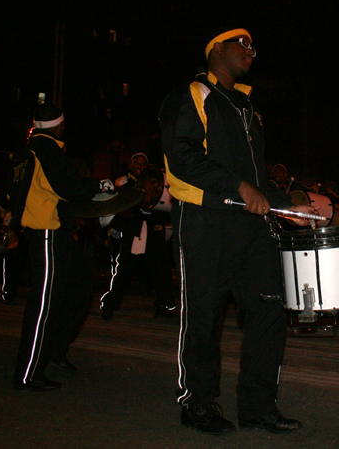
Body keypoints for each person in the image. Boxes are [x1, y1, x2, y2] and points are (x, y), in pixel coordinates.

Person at [159, 26, 314, 435]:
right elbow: (181, 157)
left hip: (252, 225)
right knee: (204, 315)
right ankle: (197, 402)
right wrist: (238, 186)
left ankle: (259, 406)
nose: (250, 51)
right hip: (206, 220)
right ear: (216, 50)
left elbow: (257, 175)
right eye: (241, 44)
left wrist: (286, 205)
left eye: (253, 46)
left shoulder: (246, 106)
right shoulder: (191, 95)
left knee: (269, 311)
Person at [8, 103, 112, 391]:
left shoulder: (28, 151)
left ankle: (53, 349)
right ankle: (28, 373)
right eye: (64, 125)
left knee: (81, 285)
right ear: (58, 125)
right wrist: (99, 185)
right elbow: (69, 187)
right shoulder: (47, 149)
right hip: (46, 233)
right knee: (44, 303)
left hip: (54, 232)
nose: (65, 129)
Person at [100, 152, 177, 320]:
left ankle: (163, 305)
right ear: (130, 165)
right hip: (134, 229)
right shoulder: (124, 183)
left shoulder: (153, 180)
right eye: (136, 163)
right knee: (125, 268)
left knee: (161, 268)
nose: (139, 166)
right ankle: (110, 304)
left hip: (153, 227)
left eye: (143, 164)